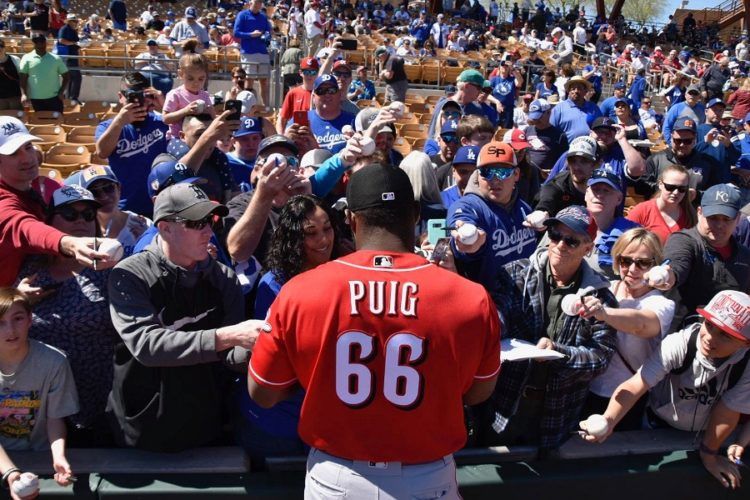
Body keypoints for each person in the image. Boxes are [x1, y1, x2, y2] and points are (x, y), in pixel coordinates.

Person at [247, 164, 501, 498]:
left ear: (351, 219)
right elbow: (478, 393)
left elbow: (263, 392)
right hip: (426, 476)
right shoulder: (470, 296)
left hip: (337, 476)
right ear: (415, 214)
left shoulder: (299, 291)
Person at [107, 183, 266, 452]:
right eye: (195, 222)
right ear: (164, 227)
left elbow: (230, 356)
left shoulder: (223, 277)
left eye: (209, 220)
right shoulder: (131, 275)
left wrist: (259, 348)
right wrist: (230, 336)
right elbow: (148, 346)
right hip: (142, 428)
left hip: (205, 424)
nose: (207, 230)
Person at [581, 289, 750, 490]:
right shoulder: (680, 343)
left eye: (725, 335)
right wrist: (609, 420)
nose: (710, 338)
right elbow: (635, 385)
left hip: (705, 434)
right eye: (710, 325)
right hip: (656, 425)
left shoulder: (746, 364)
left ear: (745, 343)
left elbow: (726, 413)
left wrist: (709, 455)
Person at [485, 205, 617, 451]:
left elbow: (600, 358)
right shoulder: (515, 273)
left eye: (571, 241)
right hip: (505, 404)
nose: (559, 245)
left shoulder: (601, 298)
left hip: (557, 413)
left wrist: (557, 353)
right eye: (555, 235)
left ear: (588, 249)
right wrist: (494, 328)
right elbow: (498, 314)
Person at [239, 194, 341, 465]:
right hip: (277, 422)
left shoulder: (344, 272)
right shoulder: (273, 284)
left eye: (327, 228)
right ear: (293, 238)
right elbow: (273, 359)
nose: (323, 239)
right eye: (311, 232)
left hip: (326, 421)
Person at [15, 185, 118, 447]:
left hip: (98, 398)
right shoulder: (29, 268)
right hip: (41, 403)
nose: (81, 221)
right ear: (49, 223)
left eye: (87, 215)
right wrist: (19, 299)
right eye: (70, 215)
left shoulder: (110, 269)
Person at [0, 117, 111, 287]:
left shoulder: (36, 186)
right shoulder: (4, 201)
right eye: (14, 153)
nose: (27, 158)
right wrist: (69, 243)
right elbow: (26, 227)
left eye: (28, 147)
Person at [584, 228, 675, 431]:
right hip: (587, 390)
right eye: (626, 261)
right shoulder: (604, 290)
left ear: (655, 265)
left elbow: (640, 325)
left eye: (643, 263)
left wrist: (603, 313)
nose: (633, 269)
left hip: (629, 397)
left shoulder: (661, 304)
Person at [0, 287, 78, 487]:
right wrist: (10, 472)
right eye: (1, 323)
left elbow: (55, 419)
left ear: (30, 319)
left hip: (40, 457)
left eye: (17, 319)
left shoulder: (54, 361)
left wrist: (58, 457)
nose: (10, 330)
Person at [448, 141, 536, 290]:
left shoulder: (524, 209)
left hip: (523, 301)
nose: (495, 180)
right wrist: (467, 242)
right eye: (487, 172)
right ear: (477, 175)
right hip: (488, 305)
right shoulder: (468, 206)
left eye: (503, 172)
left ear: (516, 174)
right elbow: (460, 224)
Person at [664, 183, 750, 330]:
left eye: (726, 219)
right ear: (699, 212)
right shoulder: (684, 241)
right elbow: (677, 265)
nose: (719, 225)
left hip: (726, 342)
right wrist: (667, 274)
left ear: (737, 219)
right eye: (713, 217)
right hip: (680, 335)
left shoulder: (745, 256)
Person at [95, 72, 168, 217]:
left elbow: (187, 134)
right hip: (126, 208)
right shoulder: (108, 126)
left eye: (142, 95)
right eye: (131, 96)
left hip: (161, 205)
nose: (138, 101)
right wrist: (119, 122)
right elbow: (102, 152)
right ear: (121, 96)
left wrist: (165, 107)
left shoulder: (162, 121)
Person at [64, 165, 152, 258]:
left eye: (108, 188)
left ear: (118, 188)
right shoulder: (81, 229)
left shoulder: (142, 225)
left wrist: (144, 240)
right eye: (95, 192)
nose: (104, 196)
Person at [626, 164, 697, 244]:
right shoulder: (642, 210)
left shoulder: (690, 215)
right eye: (670, 187)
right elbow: (624, 241)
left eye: (682, 189)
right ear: (660, 185)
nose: (676, 192)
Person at [287, 75, 355, 154]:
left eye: (331, 90)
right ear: (313, 97)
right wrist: (286, 142)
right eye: (321, 91)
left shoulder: (353, 121)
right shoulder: (298, 122)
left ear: (339, 94)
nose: (327, 95)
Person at [534, 135, 598, 217]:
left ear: (597, 164)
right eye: (572, 161)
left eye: (584, 161)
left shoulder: (602, 186)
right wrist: (540, 214)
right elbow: (546, 202)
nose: (576, 167)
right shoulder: (557, 185)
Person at [162, 53, 215, 140]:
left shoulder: (205, 95)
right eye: (190, 78)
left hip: (200, 138)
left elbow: (213, 119)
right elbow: (165, 118)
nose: (196, 83)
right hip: (177, 138)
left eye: (201, 79)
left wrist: (210, 111)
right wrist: (185, 111)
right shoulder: (175, 94)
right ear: (180, 74)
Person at [234, 0, 271, 108]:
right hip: (249, 52)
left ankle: (266, 106)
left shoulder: (263, 17)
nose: (257, 4)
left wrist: (267, 36)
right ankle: (247, 107)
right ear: (250, 3)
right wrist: (251, 34)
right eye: (255, 2)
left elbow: (268, 31)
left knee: (264, 81)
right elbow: (236, 32)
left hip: (263, 52)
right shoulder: (242, 15)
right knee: (249, 80)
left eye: (259, 2)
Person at [18, 34, 69, 113]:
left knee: (57, 123)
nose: (40, 44)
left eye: (42, 41)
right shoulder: (26, 58)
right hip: (35, 99)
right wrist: (24, 94)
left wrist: (61, 91)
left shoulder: (56, 58)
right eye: (37, 42)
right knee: (40, 123)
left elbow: (66, 76)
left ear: (46, 42)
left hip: (54, 98)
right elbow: (22, 78)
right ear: (33, 43)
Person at [549, 75, 602, 143]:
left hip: (590, 150)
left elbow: (601, 127)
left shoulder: (594, 108)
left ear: (585, 91)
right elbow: (551, 130)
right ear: (568, 91)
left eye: (579, 88)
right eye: (573, 89)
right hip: (567, 151)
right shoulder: (559, 109)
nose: (576, 91)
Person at [524, 99, 569, 176]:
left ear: (549, 113)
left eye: (539, 117)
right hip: (528, 177)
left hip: (547, 179)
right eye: (534, 118)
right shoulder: (527, 131)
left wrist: (554, 172)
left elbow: (565, 160)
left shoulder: (559, 135)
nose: (536, 120)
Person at [276, 56, 318, 134]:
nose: (309, 75)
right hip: (297, 136)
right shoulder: (293, 93)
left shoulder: (321, 93)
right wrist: (281, 138)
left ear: (317, 73)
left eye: (313, 72)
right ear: (300, 73)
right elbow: (281, 119)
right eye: (306, 72)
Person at [56, 14, 82, 106]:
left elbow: (76, 41)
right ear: (69, 21)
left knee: (71, 77)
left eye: (76, 21)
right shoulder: (64, 29)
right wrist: (73, 43)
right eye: (74, 21)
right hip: (67, 56)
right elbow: (61, 40)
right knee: (76, 76)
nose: (75, 23)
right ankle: (73, 98)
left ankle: (70, 98)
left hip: (73, 56)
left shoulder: (73, 30)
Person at [0, 41, 22, 111]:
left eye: (1, 47)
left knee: (17, 118)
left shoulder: (15, 59)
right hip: (1, 99)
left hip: (15, 97)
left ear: (5, 48)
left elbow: (22, 77)